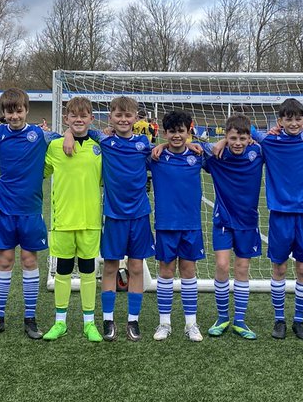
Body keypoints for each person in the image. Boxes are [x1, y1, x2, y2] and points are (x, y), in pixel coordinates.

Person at [0, 88, 57, 339]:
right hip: (4, 208)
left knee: (29, 261)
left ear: (26, 110)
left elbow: (72, 136)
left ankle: (30, 318)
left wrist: (98, 133)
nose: (14, 116)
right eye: (9, 111)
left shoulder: (40, 135)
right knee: (4, 262)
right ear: (3, 113)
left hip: (31, 210)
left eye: (19, 110)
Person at [260, 98, 303, 340]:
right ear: (280, 121)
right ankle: (279, 320)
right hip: (280, 215)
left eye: (298, 118)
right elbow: (246, 131)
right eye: (288, 118)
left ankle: (299, 320)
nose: (294, 123)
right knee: (279, 267)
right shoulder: (270, 141)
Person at [42, 96, 103, 341]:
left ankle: (89, 323)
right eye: (73, 116)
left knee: (89, 272)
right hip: (63, 221)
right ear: (66, 119)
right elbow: (40, 172)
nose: (79, 119)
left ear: (91, 119)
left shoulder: (100, 148)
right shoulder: (55, 147)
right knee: (63, 272)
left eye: (84, 115)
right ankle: (60, 322)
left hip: (90, 221)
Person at [94, 95, 155, 341]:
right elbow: (77, 131)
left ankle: (133, 320)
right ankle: (108, 320)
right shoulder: (104, 140)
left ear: (136, 118)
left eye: (128, 115)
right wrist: (67, 135)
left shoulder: (144, 144)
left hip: (139, 214)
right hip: (114, 215)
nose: (123, 119)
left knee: (136, 267)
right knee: (110, 266)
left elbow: (160, 155)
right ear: (110, 117)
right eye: (118, 115)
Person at [201, 115, 264, 339]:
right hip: (223, 220)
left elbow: (275, 136)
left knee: (242, 270)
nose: (238, 142)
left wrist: (253, 135)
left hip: (248, 221)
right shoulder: (216, 154)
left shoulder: (259, 152)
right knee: (221, 265)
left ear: (249, 138)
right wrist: (217, 143)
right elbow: (194, 146)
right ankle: (222, 317)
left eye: (243, 138)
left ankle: (239, 320)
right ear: (226, 137)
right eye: (233, 138)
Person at [150, 109, 206, 341]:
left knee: (188, 272)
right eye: (172, 132)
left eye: (181, 131)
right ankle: (164, 323)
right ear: (165, 133)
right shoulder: (155, 157)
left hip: (191, 224)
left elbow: (224, 146)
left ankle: (190, 324)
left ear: (188, 132)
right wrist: (159, 147)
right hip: (165, 225)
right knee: (165, 272)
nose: (176, 136)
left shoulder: (199, 156)